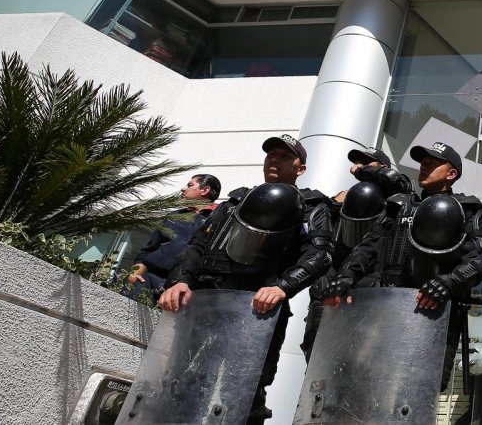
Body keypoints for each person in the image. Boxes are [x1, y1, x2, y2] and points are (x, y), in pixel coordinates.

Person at [160, 134, 334, 425]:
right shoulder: (236, 200)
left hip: (257, 309)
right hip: (206, 300)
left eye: (283, 156)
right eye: (270, 155)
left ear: (300, 168)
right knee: (182, 378)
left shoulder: (311, 206)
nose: (274, 160)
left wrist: (282, 287)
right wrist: (180, 281)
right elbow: (197, 246)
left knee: (246, 390)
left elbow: (320, 255)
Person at [323, 141, 482, 391]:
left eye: (433, 163)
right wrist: (346, 276)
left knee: (419, 390)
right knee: (366, 384)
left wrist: (449, 281)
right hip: (386, 310)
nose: (424, 167)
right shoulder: (397, 205)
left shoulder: (466, 208)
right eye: (423, 163)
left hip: (433, 313)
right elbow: (368, 247)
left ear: (451, 174)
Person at [299, 146, 405, 360]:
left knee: (363, 363)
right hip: (333, 289)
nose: (358, 165)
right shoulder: (343, 199)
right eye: (358, 162)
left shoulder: (396, 200)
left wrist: (361, 172)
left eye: (367, 162)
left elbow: (395, 180)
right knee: (319, 363)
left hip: (369, 290)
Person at [125, 173, 220, 301]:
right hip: (148, 280)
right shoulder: (174, 216)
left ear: (205, 190)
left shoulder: (219, 220)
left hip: (184, 290)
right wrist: (134, 274)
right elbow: (149, 249)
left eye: (190, 185)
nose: (183, 189)